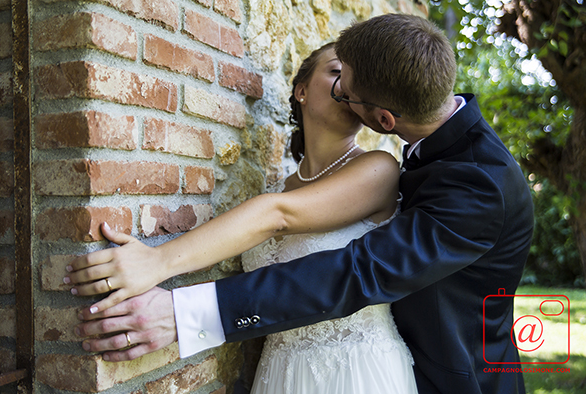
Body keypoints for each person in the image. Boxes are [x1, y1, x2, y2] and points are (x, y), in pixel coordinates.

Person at [66, 14, 533, 394]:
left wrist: (186, 314)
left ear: (384, 119)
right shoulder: (421, 148)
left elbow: (356, 270)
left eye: (346, 90)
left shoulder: (479, 185)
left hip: (444, 378)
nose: (341, 96)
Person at [68, 43, 418, 393]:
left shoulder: (379, 169)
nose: (346, 86)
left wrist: (157, 261)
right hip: (280, 373)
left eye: (355, 81)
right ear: (302, 91)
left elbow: (277, 215)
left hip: (358, 372)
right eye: (336, 71)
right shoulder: (282, 187)